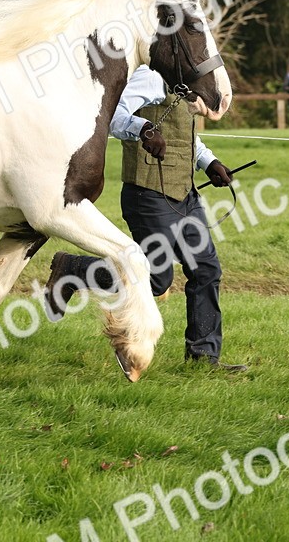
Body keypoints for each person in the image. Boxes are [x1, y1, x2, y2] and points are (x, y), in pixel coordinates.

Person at [41, 64, 247, 372]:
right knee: (155, 280)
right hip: (148, 194)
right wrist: (144, 129)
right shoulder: (149, 77)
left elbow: (183, 134)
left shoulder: (182, 82)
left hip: (185, 195)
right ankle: (73, 270)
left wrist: (209, 162)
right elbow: (112, 116)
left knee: (206, 269)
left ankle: (203, 359)